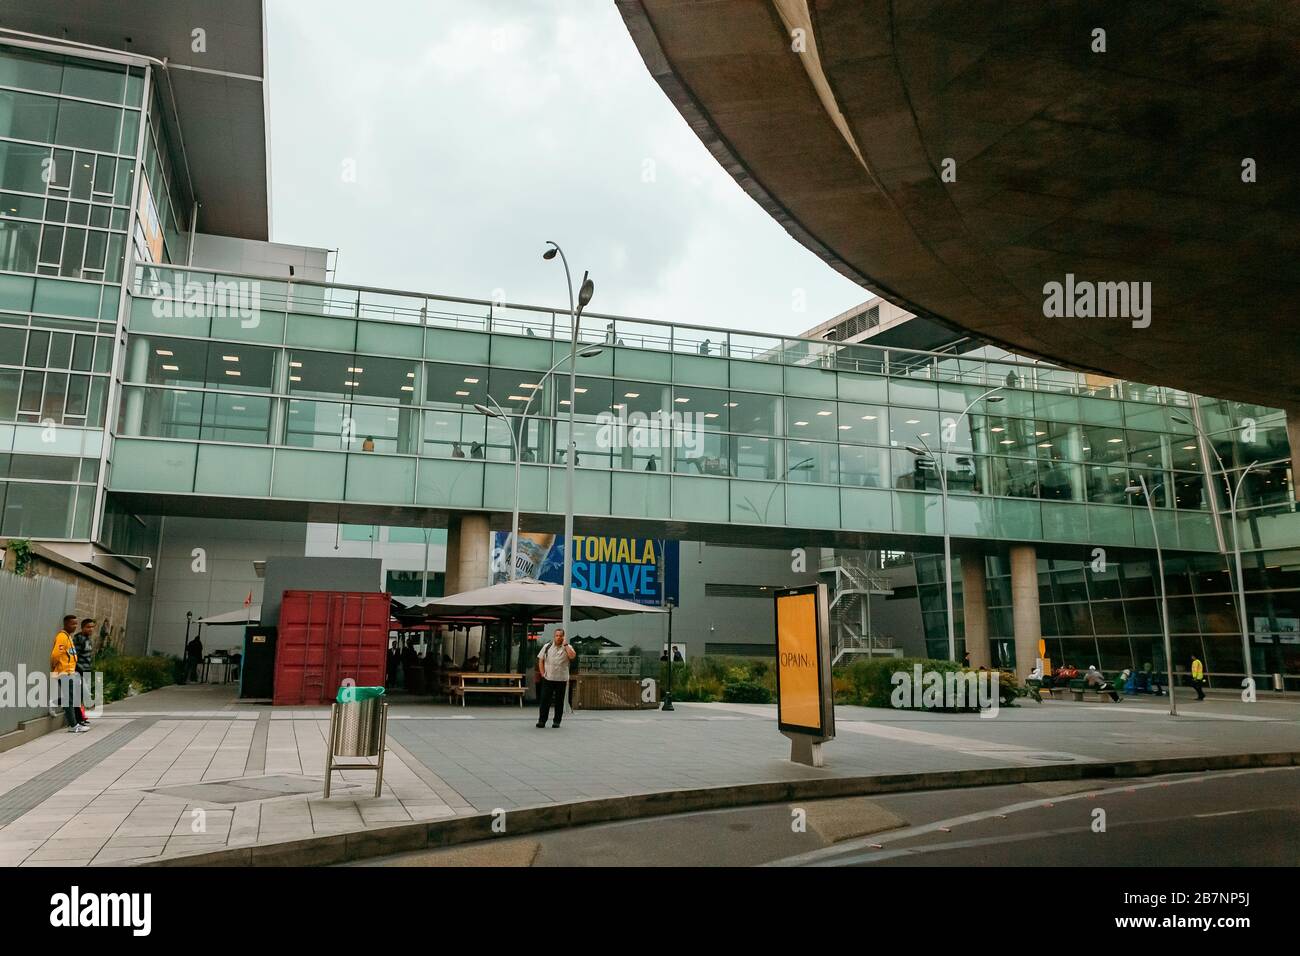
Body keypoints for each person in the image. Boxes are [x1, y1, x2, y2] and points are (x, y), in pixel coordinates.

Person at [536, 628, 576, 728]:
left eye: (561, 636)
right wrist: (542, 673)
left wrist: (566, 645)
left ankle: (557, 721)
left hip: (561, 679)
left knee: (559, 701)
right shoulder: (547, 646)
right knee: (545, 701)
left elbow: (572, 656)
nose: (559, 637)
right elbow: (541, 660)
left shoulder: (568, 647)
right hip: (548, 678)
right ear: (554, 636)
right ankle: (542, 721)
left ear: (564, 637)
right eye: (557, 635)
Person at [50, 616, 83, 733]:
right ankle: (73, 725)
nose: (75, 626)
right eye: (72, 624)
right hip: (64, 672)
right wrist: (55, 666)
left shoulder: (68, 637)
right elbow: (55, 655)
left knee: (71, 698)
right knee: (69, 699)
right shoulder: (62, 637)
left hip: (70, 672)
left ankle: (54, 702)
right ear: (66, 624)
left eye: (76, 624)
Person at [74, 618, 95, 728]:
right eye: (88, 627)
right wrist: (79, 670)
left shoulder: (88, 639)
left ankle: (81, 717)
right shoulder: (79, 639)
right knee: (78, 695)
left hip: (87, 671)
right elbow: (75, 657)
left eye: (92, 627)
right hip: (79, 671)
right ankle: (77, 719)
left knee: (82, 696)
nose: (90, 629)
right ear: (82, 628)